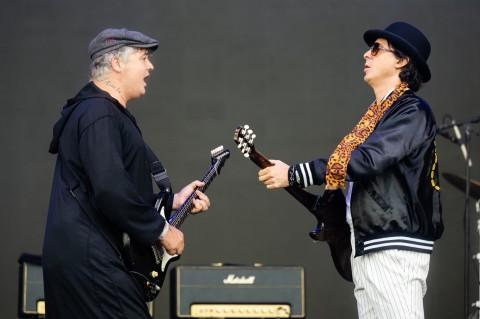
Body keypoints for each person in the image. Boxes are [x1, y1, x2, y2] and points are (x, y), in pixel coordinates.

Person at [258, 22, 443, 319]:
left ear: (402, 60)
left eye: (376, 49)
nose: (365, 55)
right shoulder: (380, 115)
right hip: (370, 243)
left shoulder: (412, 112)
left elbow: (365, 161)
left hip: (392, 245)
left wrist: (294, 174)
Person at [42, 28, 211, 319]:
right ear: (117, 63)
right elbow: (109, 188)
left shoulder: (96, 113)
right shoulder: (99, 113)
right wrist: (161, 230)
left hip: (81, 257)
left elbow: (100, 187)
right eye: (143, 57)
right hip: (91, 260)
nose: (150, 67)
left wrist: (170, 202)